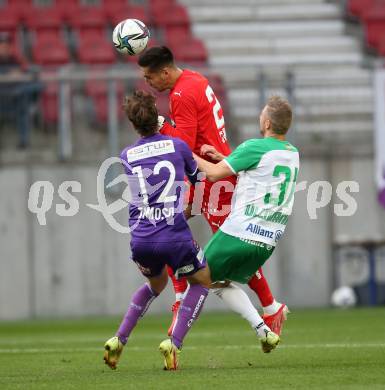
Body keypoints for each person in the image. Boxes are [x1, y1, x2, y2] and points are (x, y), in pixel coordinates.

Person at [137, 46, 288, 336]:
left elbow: (182, 144)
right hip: (214, 170)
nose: (148, 83)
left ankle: (269, 308)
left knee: (221, 258)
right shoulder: (195, 78)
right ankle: (186, 301)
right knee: (169, 225)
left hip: (212, 178)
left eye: (149, 77)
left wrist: (158, 125)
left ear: (165, 72)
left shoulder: (181, 95)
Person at [103, 91, 211, 371]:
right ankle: (173, 343)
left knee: (155, 285)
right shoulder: (178, 146)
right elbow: (198, 179)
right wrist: (193, 208)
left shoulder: (126, 154)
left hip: (141, 238)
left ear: (133, 124)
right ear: (157, 116)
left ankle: (119, 339)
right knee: (201, 281)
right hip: (173, 234)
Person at [195, 95, 300, 353]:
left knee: (196, 276)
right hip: (267, 240)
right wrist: (224, 156)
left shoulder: (254, 146)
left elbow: (213, 173)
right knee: (215, 281)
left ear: (265, 122)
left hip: (238, 233)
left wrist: (184, 151)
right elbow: (259, 171)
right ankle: (271, 311)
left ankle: (263, 327)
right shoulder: (292, 153)